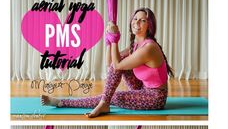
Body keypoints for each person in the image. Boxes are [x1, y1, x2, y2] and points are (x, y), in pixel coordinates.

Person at [41, 8, 172, 117]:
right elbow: (111, 63)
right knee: (112, 85)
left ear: (150, 25)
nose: (137, 23)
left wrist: (115, 40)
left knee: (113, 97)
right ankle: (103, 101)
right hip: (142, 88)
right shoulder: (136, 45)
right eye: (135, 19)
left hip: (155, 97)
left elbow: (117, 65)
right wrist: (109, 40)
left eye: (143, 20)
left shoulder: (149, 48)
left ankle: (63, 102)